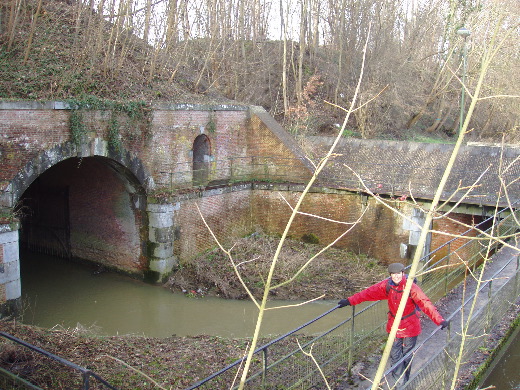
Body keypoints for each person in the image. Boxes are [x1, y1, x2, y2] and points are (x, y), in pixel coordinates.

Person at [338, 262, 449, 384]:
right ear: (390, 275)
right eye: (394, 274)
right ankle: (398, 383)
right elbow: (368, 293)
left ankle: (403, 382)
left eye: (399, 274)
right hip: (394, 327)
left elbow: (425, 303)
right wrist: (350, 301)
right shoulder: (387, 286)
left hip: (410, 326)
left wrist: (440, 320)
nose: (397, 276)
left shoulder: (411, 287)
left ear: (403, 273)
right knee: (395, 356)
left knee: (406, 356)